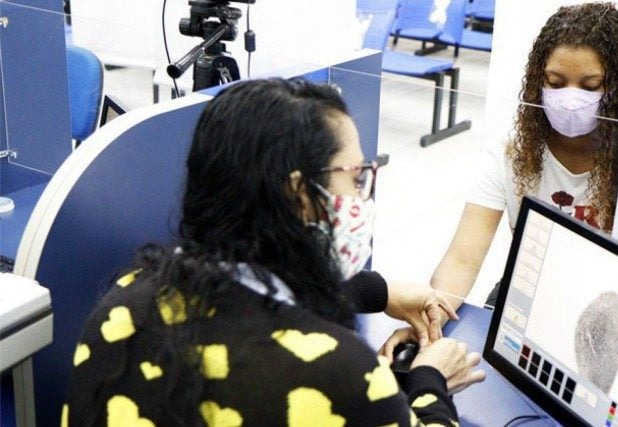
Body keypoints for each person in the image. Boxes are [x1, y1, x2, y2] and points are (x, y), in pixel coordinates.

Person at [62, 78, 485, 426]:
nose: (361, 195)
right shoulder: (337, 373)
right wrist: (431, 380)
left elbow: (243, 299)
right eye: (356, 179)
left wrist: (376, 291)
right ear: (300, 194)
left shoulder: (123, 304)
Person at [432, 2, 618, 309]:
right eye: (555, 83)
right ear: (538, 80)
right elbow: (462, 259)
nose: (570, 99)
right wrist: (431, 316)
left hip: (606, 304)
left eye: (590, 86)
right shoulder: (510, 154)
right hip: (528, 295)